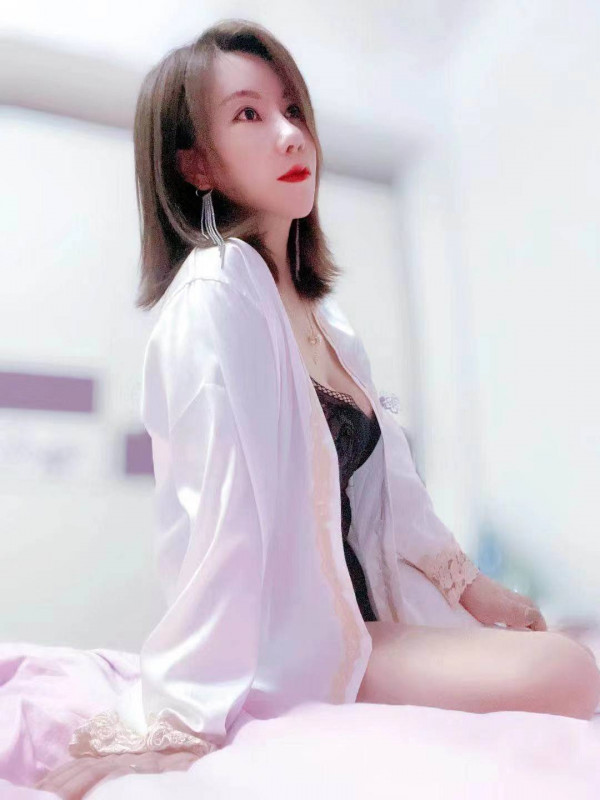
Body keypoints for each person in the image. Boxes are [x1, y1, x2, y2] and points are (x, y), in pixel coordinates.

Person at [35, 18, 600, 800]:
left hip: (368, 623)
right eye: (249, 114)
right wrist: (177, 723)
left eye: (293, 109)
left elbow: (395, 498)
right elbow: (223, 522)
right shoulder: (217, 290)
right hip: (307, 650)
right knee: (570, 669)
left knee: (563, 647)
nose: (290, 134)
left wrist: (472, 587)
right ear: (196, 163)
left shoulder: (324, 317)